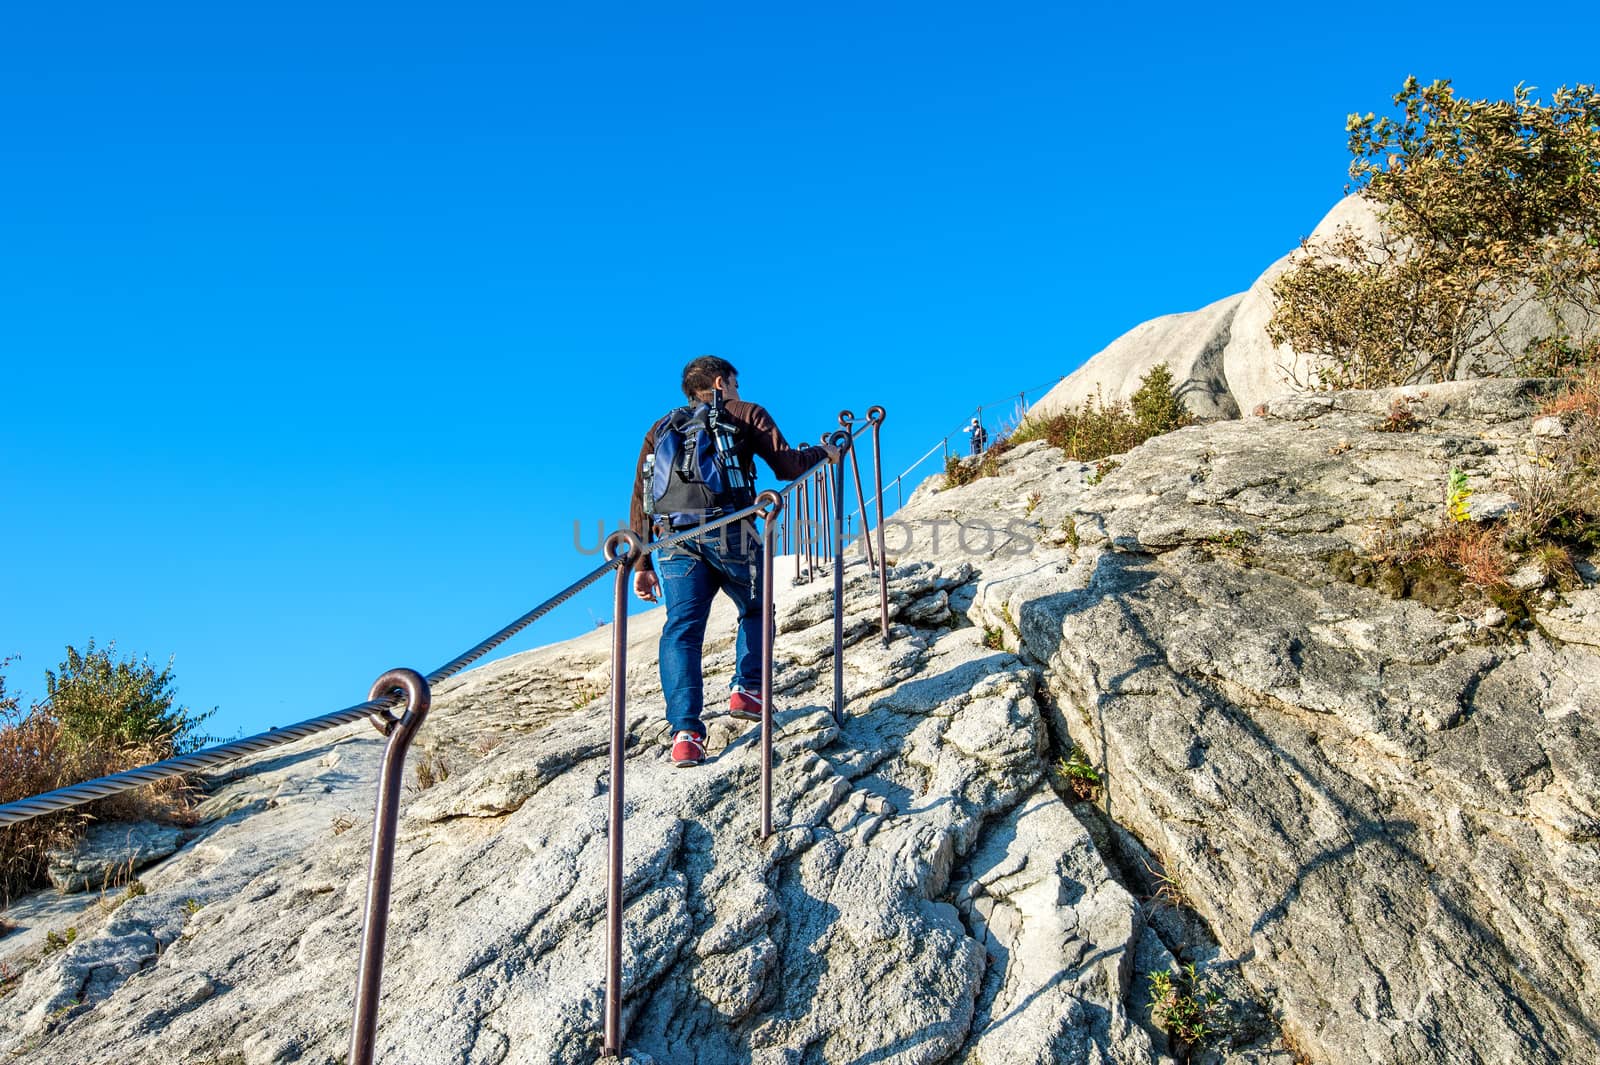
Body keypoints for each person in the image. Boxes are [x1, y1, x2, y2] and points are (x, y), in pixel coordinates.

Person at [630, 356, 839, 768]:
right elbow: (787, 466)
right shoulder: (744, 412)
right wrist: (825, 452)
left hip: (674, 539)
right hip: (732, 529)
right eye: (737, 386)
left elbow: (642, 496)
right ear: (722, 382)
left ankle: (686, 734)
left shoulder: (660, 427)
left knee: (682, 630)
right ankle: (747, 688)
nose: (739, 392)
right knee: (757, 608)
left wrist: (641, 563)